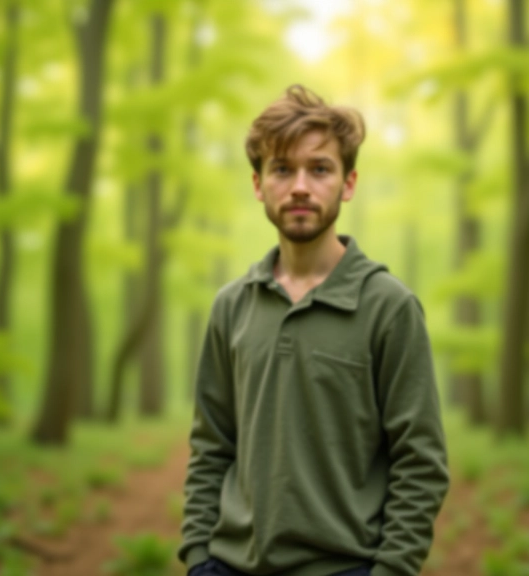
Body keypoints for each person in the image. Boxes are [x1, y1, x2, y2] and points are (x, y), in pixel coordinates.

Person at [179, 85, 449, 576]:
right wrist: (198, 557)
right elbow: (211, 448)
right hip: (228, 566)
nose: (300, 186)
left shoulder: (389, 307)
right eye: (282, 169)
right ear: (259, 184)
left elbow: (421, 463)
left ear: (348, 184)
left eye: (320, 169)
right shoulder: (231, 307)